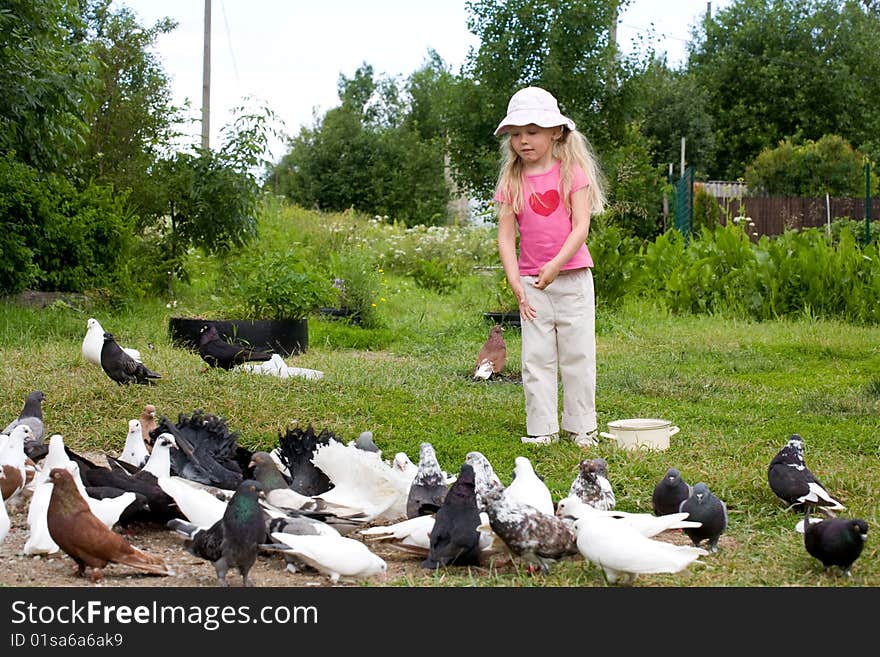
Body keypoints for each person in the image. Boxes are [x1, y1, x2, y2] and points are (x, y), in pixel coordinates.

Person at [492, 86, 606, 447]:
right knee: (536, 358)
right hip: (532, 284)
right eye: (516, 134)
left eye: (532, 132)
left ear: (555, 131)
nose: (523, 141)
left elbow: (581, 227)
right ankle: (542, 428)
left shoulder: (572, 173)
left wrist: (556, 264)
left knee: (578, 354)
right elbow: (506, 238)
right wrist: (516, 283)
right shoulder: (512, 181)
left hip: (572, 280)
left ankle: (581, 427)